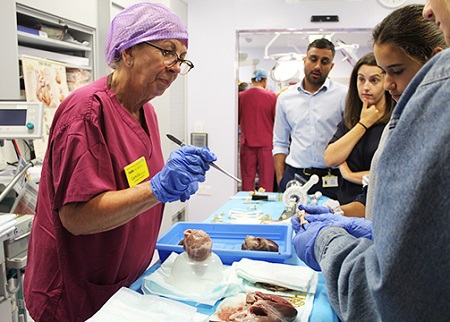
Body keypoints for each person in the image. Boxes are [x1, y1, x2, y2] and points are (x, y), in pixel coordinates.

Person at [23, 3, 217, 321]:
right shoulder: (85, 112)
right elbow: (77, 218)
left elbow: (131, 183)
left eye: (182, 59)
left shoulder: (147, 112)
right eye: (168, 51)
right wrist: (157, 189)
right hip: (76, 295)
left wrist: (174, 180)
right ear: (127, 52)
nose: (175, 67)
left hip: (127, 285)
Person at [291, 3, 450, 321]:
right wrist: (369, 228)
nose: (429, 10)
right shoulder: (372, 115)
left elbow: (395, 290)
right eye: (363, 79)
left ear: (433, 60)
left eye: (393, 73)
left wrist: (329, 242)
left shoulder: (427, 113)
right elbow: (334, 158)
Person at [273, 38, 348, 199]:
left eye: (324, 61)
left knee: (333, 223)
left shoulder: (344, 95)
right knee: (292, 222)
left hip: (333, 179)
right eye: (313, 59)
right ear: (304, 60)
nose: (317, 66)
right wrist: (281, 179)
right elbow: (280, 143)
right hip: (296, 177)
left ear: (331, 66)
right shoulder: (285, 98)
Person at [323, 53, 395, 206]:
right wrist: (363, 124)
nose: (366, 87)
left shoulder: (394, 122)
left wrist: (349, 175)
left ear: (386, 82)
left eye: (374, 80)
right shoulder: (351, 121)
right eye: (361, 79)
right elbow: (331, 158)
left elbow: (391, 173)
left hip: (378, 206)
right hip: (346, 205)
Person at [238, 68, 277, 191]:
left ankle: (246, 207)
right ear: (265, 80)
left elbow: (237, 120)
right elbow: (277, 121)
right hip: (266, 146)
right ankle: (265, 209)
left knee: (247, 180)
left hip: (247, 144)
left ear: (251, 80)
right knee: (266, 182)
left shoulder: (241, 97)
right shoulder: (272, 97)